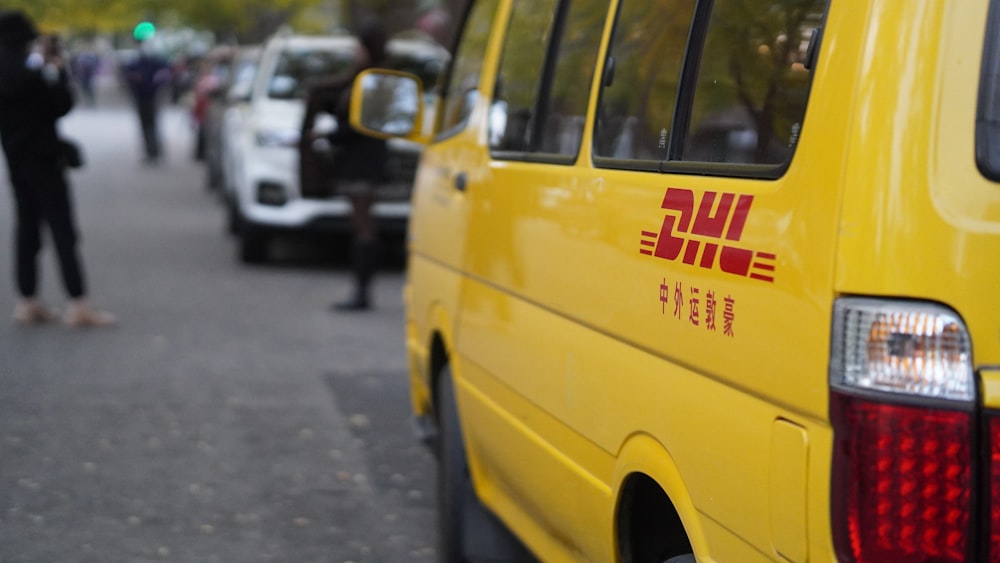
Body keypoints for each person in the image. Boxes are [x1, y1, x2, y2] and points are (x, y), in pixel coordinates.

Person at [0, 10, 116, 326]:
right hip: (44, 159)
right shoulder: (26, 71)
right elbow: (60, 104)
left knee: (26, 231)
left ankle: (28, 300)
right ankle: (78, 303)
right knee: (62, 230)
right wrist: (54, 67)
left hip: (15, 159)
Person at [300, 20, 390, 312]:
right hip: (363, 160)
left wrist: (324, 134)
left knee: (363, 226)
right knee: (362, 224)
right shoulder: (368, 79)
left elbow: (357, 126)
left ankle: (362, 291)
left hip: (363, 162)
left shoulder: (370, 81)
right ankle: (362, 289)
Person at [123, 23, 170, 164]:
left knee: (152, 124)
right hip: (141, 95)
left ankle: (155, 151)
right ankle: (151, 151)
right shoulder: (137, 59)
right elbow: (129, 74)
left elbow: (163, 74)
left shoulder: (155, 59)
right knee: (146, 124)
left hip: (151, 94)